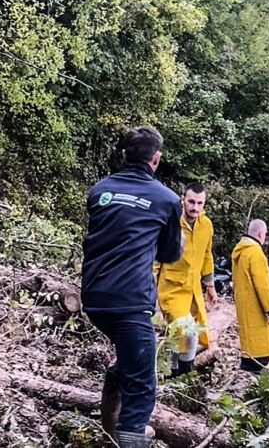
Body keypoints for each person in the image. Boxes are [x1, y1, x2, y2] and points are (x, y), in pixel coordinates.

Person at [80, 126, 182, 448]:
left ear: (122, 155)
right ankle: (130, 436)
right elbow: (169, 254)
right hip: (130, 303)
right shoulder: (167, 200)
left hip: (93, 298)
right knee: (142, 386)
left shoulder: (99, 191)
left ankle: (110, 430)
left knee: (126, 364)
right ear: (157, 159)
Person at [154, 182, 217, 377]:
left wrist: (210, 285)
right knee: (186, 331)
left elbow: (207, 256)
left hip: (193, 291)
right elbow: (156, 258)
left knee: (185, 334)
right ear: (183, 200)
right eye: (191, 202)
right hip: (170, 289)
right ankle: (181, 374)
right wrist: (149, 288)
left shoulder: (206, 225)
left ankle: (176, 373)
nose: (195, 207)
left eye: (200, 203)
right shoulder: (170, 223)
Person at [231, 219, 269, 372]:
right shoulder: (255, 253)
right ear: (261, 233)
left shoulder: (240, 251)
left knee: (248, 349)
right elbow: (263, 286)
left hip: (243, 305)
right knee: (261, 352)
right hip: (256, 308)